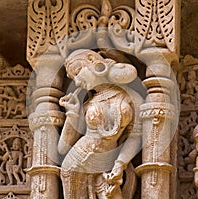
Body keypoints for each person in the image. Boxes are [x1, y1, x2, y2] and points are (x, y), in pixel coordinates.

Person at [58, 49, 142, 198]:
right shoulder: (87, 105)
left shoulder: (131, 97)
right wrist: (72, 113)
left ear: (91, 59)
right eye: (73, 78)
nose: (77, 82)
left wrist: (120, 164)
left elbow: (135, 137)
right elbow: (63, 148)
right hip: (74, 166)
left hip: (106, 164)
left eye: (77, 72)